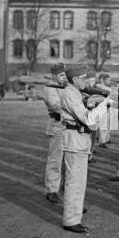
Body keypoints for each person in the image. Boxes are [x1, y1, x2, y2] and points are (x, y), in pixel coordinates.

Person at [60, 66, 111, 233]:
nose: (86, 80)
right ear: (74, 79)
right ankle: (71, 220)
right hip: (74, 141)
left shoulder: (76, 92)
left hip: (80, 140)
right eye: (83, 78)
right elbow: (88, 119)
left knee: (79, 181)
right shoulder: (71, 93)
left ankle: (74, 212)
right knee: (74, 181)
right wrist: (105, 104)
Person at [43, 63, 68, 203]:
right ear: (54, 76)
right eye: (61, 75)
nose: (64, 78)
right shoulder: (50, 89)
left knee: (68, 159)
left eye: (65, 75)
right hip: (57, 126)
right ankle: (51, 190)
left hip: (68, 127)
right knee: (55, 160)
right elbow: (56, 106)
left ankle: (64, 184)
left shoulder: (65, 86)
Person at [96, 73, 111, 148]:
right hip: (102, 108)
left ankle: (105, 139)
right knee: (103, 126)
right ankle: (102, 141)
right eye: (107, 80)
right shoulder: (100, 87)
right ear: (102, 80)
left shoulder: (107, 87)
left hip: (108, 108)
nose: (109, 81)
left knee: (107, 126)